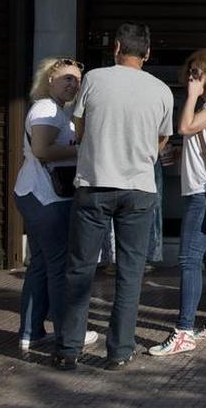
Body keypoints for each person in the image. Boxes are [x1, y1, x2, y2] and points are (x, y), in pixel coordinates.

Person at [52, 22, 173, 372]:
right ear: (147, 54)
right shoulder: (162, 90)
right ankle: (119, 351)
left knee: (81, 268)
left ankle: (69, 349)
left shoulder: (95, 79)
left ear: (116, 47)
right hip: (139, 188)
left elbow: (79, 125)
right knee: (130, 272)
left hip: (94, 184)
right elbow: (161, 141)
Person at [149, 49, 206, 356]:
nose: (192, 78)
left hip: (204, 193)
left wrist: (191, 95)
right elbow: (195, 138)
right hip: (202, 190)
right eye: (190, 73)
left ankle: (184, 331)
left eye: (197, 73)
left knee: (188, 259)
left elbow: (185, 127)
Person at [13, 58, 99, 352]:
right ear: (50, 79)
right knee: (59, 266)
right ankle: (68, 333)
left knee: (40, 264)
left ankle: (30, 331)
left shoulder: (56, 110)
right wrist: (83, 150)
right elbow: (41, 150)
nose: (73, 84)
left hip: (36, 194)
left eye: (76, 80)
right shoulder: (47, 109)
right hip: (45, 197)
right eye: (66, 79)